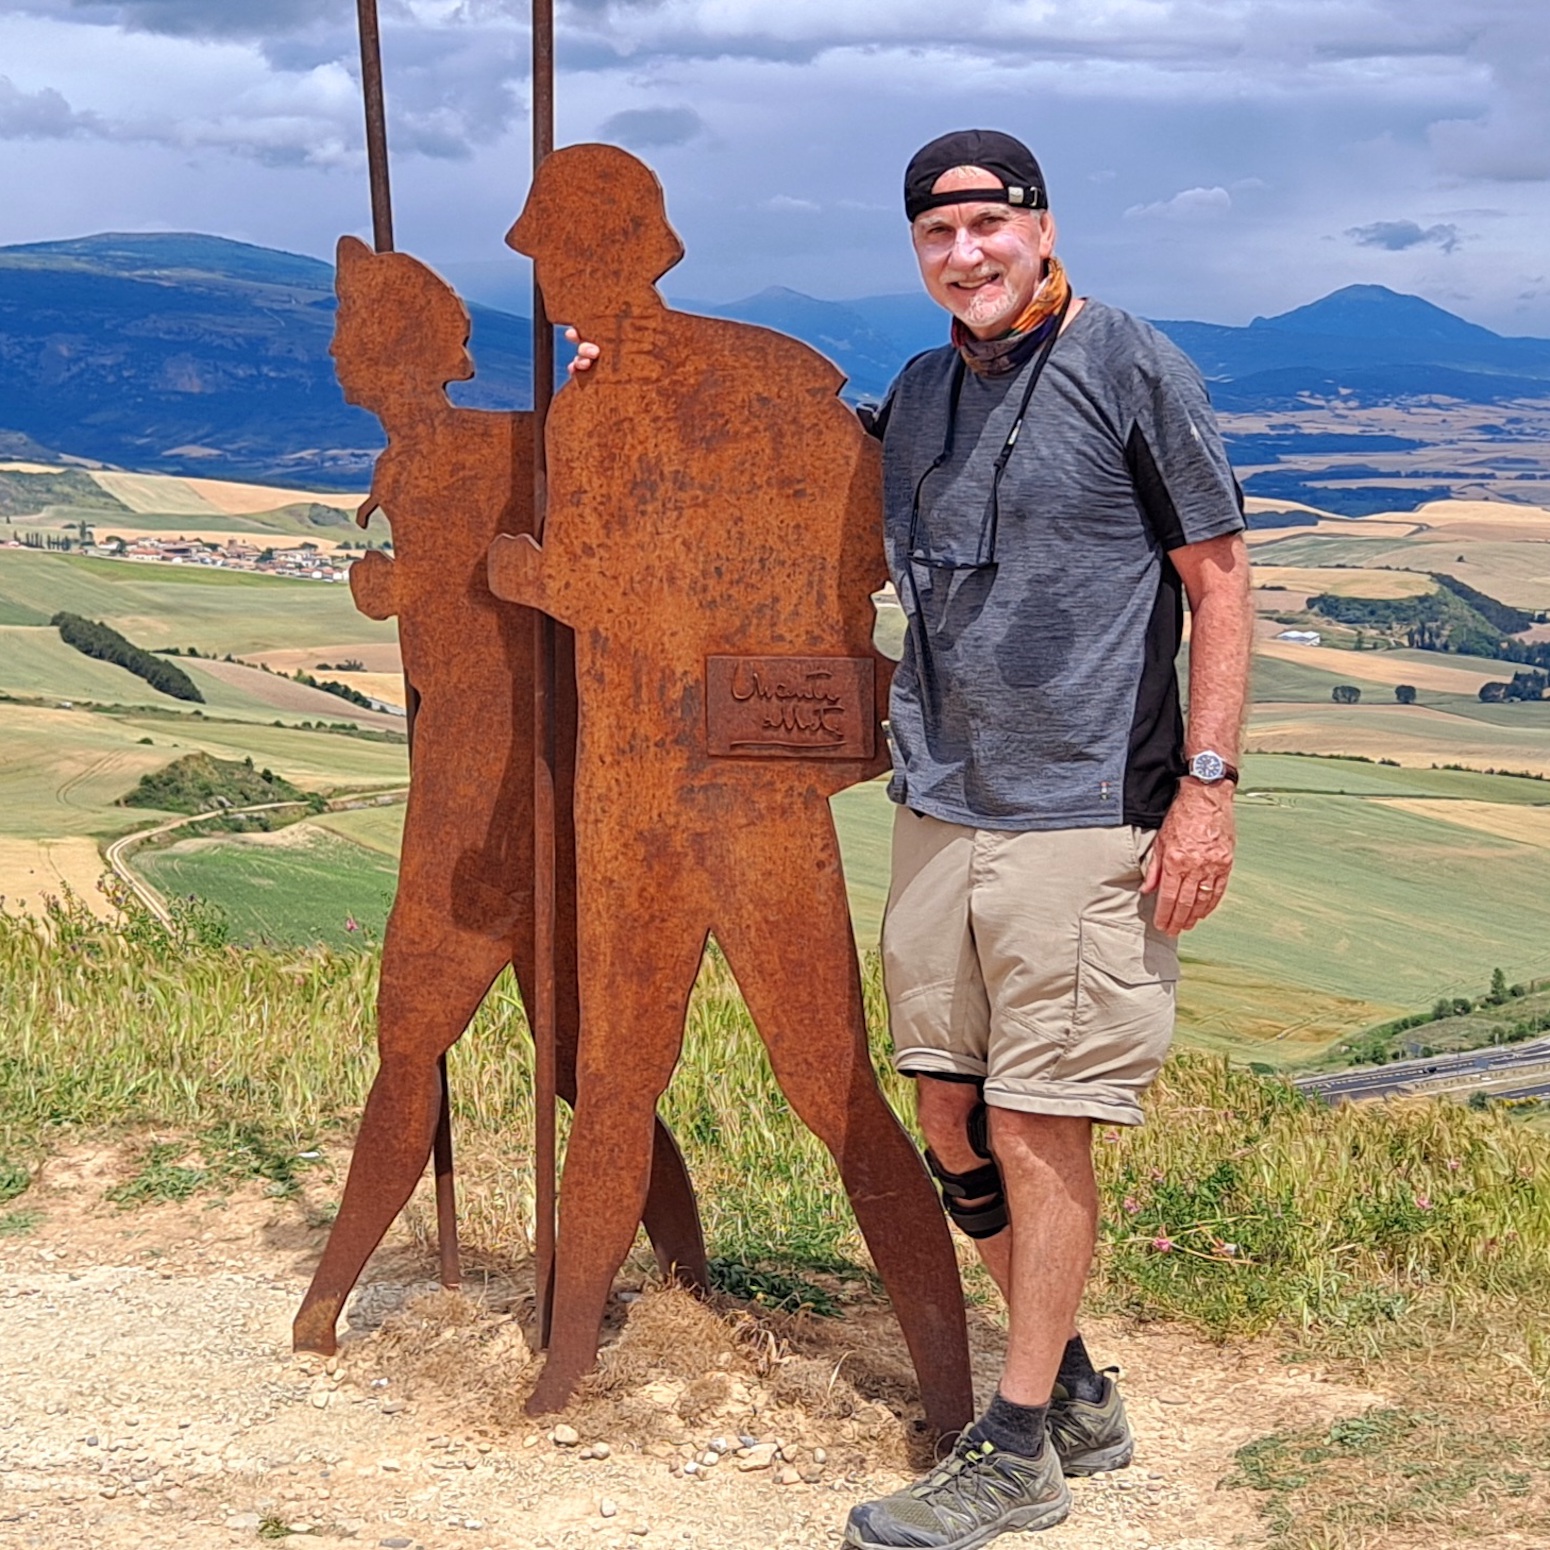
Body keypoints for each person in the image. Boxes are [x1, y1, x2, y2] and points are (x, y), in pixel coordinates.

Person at [568, 128, 1253, 1548]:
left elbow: (1221, 576)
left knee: (1036, 1118)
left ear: (1040, 226)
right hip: (940, 803)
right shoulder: (926, 394)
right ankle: (1071, 1383)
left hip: (1084, 809)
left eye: (986, 228)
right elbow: (779, 448)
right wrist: (622, 386)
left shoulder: (1132, 366)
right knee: (948, 1111)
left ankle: (1016, 1446)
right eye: (937, 237)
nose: (964, 255)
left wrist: (1207, 787)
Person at [488, 144, 973, 1434]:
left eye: (564, 255)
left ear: (629, 249)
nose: (550, 283)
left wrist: (531, 576)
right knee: (661, 1083)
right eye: (543, 260)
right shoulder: (701, 384)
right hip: (671, 789)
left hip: (705, 793)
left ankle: (946, 1381)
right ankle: (574, 1360)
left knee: (802, 1089)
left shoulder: (708, 388)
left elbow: (650, 588)